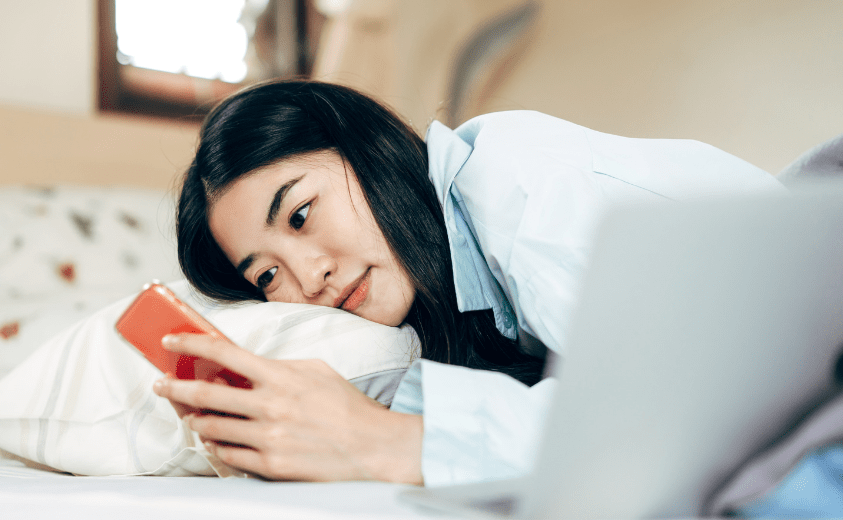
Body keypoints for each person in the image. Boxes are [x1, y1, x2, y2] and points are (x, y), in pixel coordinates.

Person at [151, 79, 783, 485]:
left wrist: (391, 444)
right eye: (266, 274)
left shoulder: (516, 183)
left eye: (301, 214)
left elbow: (672, 423)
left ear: (364, 150)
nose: (308, 276)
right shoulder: (444, 313)